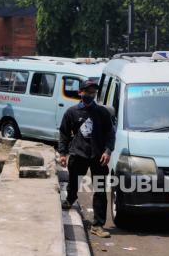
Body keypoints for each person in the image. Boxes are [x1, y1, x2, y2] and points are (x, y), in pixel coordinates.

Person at [58, 80, 116, 238]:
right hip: (78, 154)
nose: (90, 95)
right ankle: (70, 199)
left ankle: (97, 225)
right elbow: (64, 133)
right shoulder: (71, 112)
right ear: (80, 93)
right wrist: (62, 153)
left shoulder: (103, 113)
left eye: (93, 93)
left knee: (100, 190)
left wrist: (108, 151)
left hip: (98, 157)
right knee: (74, 181)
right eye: (87, 92)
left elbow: (110, 134)